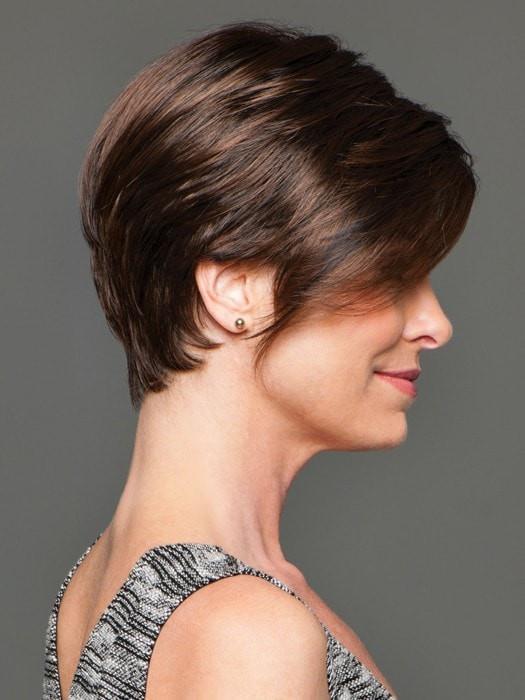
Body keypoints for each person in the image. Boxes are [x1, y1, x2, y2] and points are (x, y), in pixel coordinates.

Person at [42, 19, 478, 699]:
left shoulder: (105, 582)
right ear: (235, 288)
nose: (435, 325)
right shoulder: (244, 631)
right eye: (392, 276)